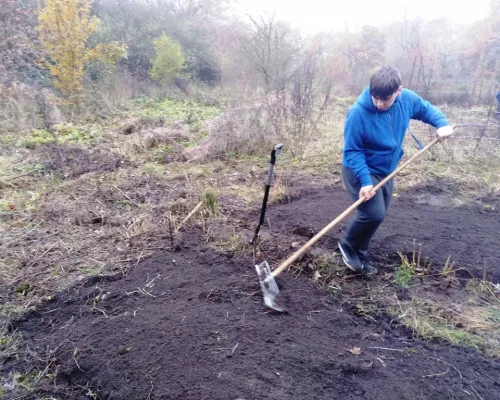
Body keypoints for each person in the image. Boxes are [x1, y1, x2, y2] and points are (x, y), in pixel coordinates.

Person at [338, 65, 453, 275]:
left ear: (398, 91)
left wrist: (441, 123)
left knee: (378, 215)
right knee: (373, 213)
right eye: (376, 98)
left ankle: (360, 255)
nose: (380, 104)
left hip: (386, 170)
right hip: (360, 169)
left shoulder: (407, 99)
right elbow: (353, 151)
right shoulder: (357, 113)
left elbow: (425, 109)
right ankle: (347, 245)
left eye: (386, 99)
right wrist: (365, 181)